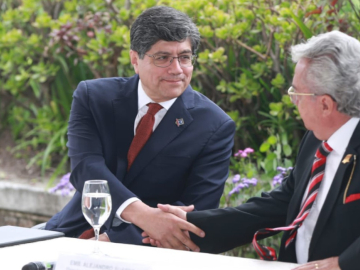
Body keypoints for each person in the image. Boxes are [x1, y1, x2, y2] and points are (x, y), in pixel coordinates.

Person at [142, 31, 360, 270]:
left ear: (325, 103)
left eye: (296, 92)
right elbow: (281, 203)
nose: (292, 100)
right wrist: (190, 226)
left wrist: (345, 264)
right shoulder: (318, 137)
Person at [45, 6, 235, 246]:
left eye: (184, 58)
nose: (177, 69)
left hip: (151, 246)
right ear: (135, 59)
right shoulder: (93, 96)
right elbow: (87, 168)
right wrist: (144, 215)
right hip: (76, 229)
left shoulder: (215, 125)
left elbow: (196, 208)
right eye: (163, 58)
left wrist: (115, 240)